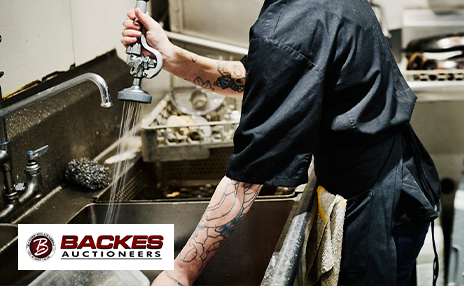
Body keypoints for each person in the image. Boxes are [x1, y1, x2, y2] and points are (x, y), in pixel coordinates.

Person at [121, 0, 441, 285]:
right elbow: (268, 74)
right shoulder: (300, 10)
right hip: (393, 180)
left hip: (373, 206)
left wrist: (179, 273)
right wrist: (173, 58)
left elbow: (249, 176)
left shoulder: (292, 19)